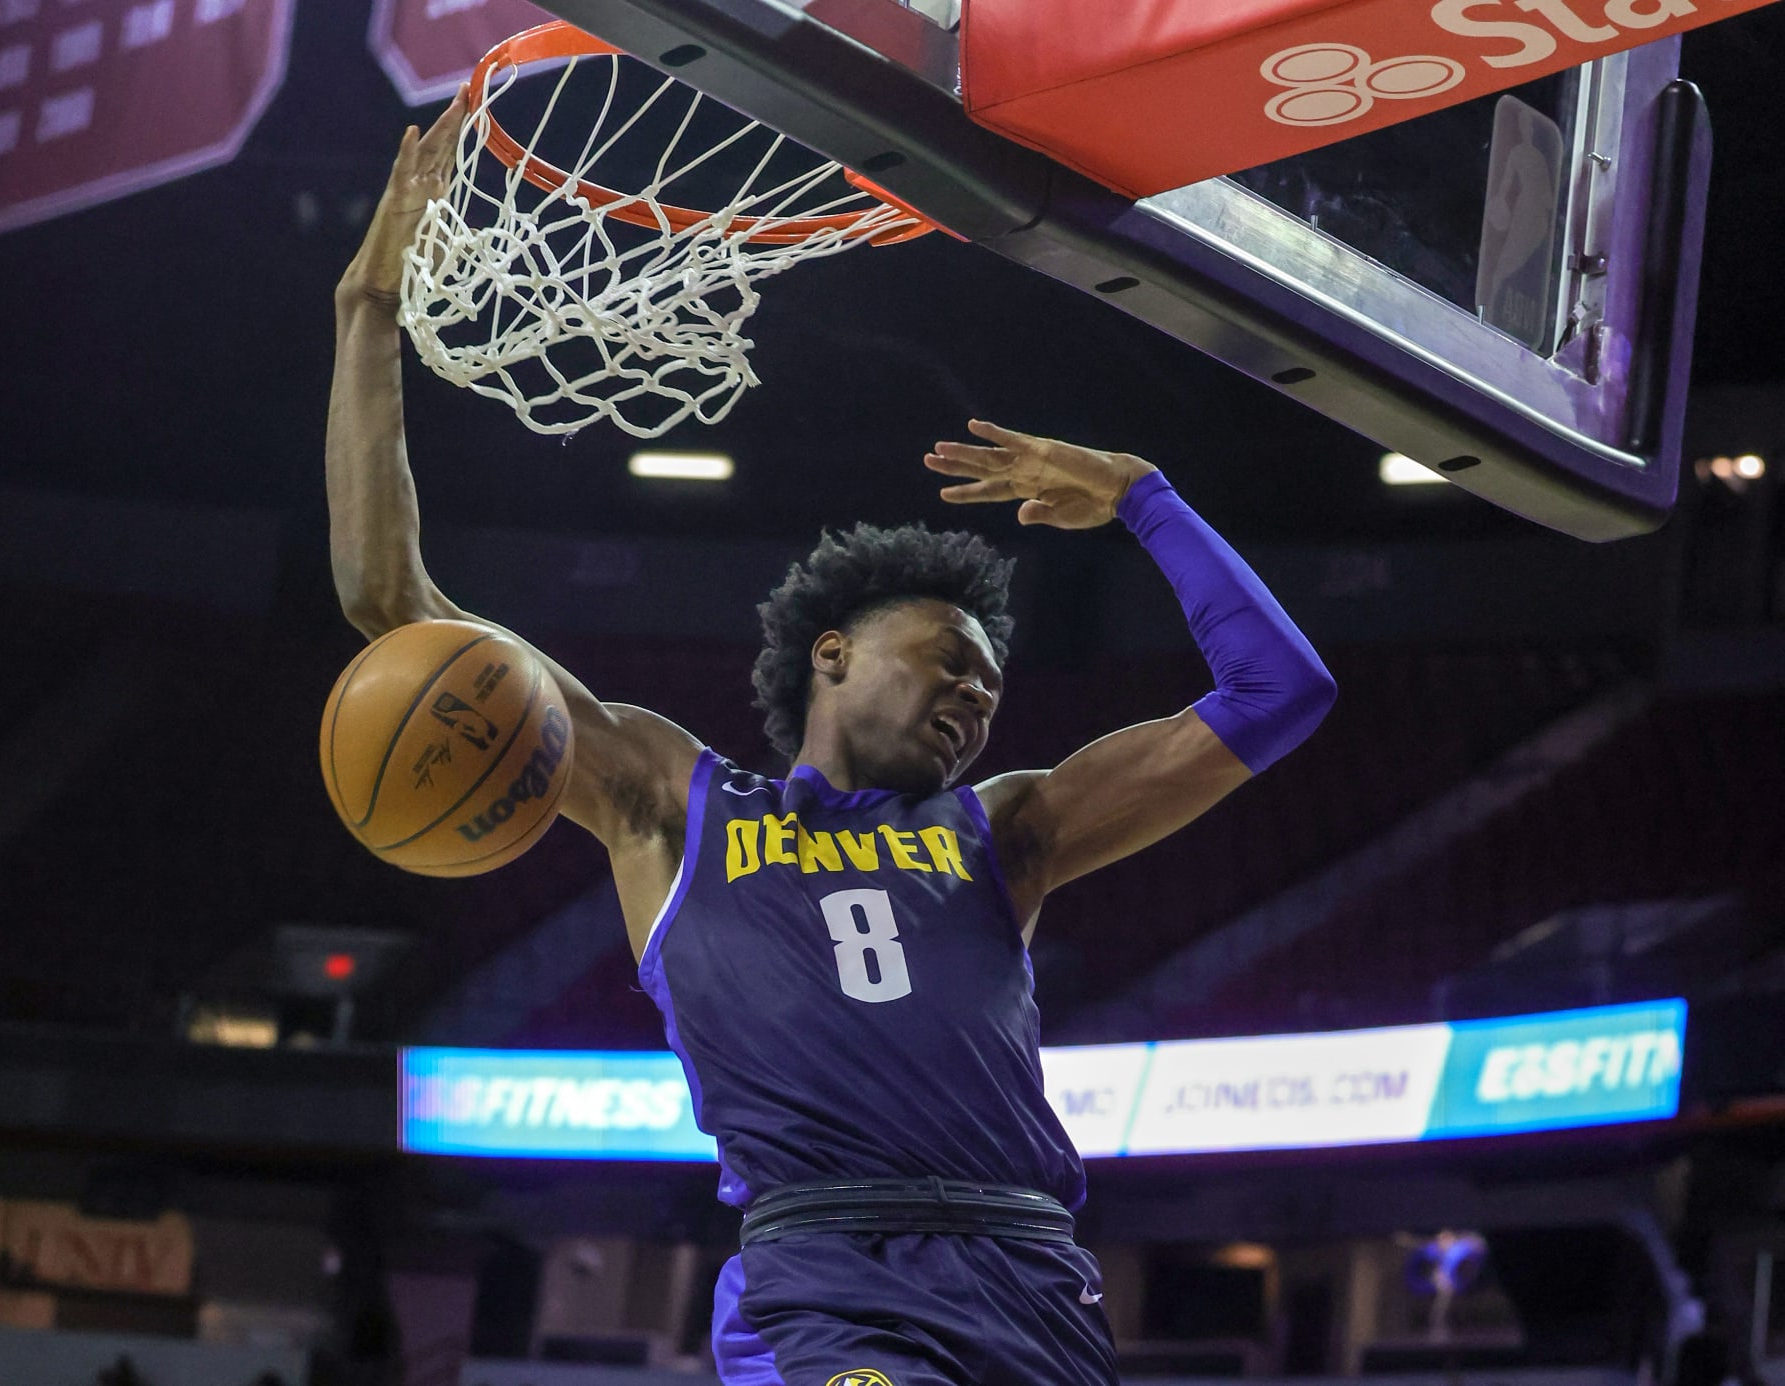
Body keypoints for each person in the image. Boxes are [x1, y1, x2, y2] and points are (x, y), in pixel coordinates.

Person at [328, 97, 1337, 1386]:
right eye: (951, 656)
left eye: (992, 682)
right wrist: (368, 310)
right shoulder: (669, 801)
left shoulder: (1009, 831)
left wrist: (1147, 498)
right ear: (834, 651)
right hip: (827, 1281)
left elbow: (1279, 691)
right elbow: (392, 602)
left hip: (1034, 1283)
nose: (979, 692)